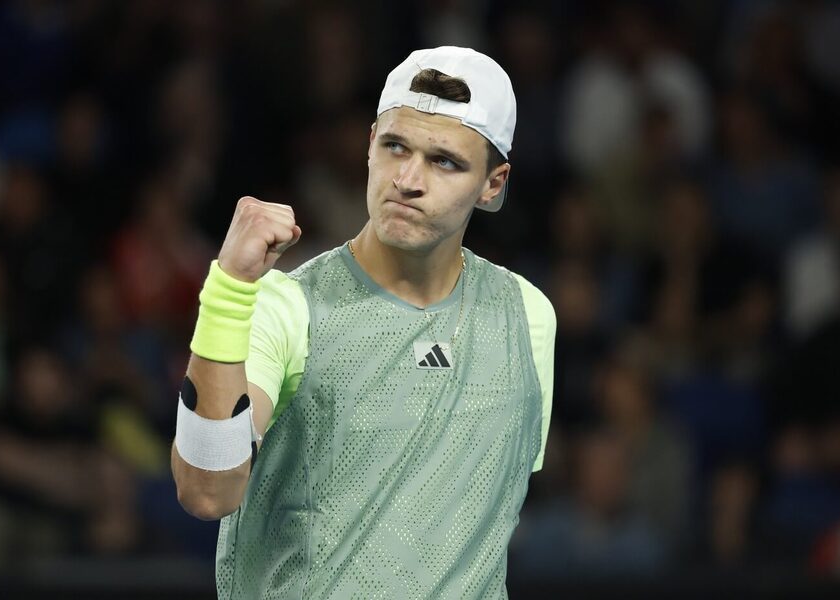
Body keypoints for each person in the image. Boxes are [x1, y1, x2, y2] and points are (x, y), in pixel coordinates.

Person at [171, 46, 556, 599]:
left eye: (444, 161)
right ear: (369, 144)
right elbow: (207, 492)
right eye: (394, 146)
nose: (407, 179)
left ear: (493, 184)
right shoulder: (283, 307)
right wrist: (230, 292)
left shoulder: (528, 315)